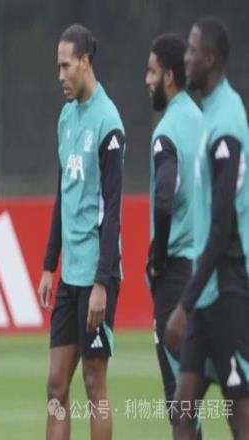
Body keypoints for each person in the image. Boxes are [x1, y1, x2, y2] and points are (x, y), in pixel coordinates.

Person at [38, 24, 125, 440]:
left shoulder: (108, 122)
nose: (60, 75)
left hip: (95, 277)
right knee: (56, 385)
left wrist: (102, 283)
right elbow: (63, 194)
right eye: (58, 67)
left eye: (66, 66)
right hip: (69, 276)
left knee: (94, 384)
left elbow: (112, 210)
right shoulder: (65, 118)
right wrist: (48, 264)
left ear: (85, 63)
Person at [164, 17, 249, 439]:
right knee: (183, 407)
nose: (186, 58)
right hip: (206, 291)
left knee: (239, 417)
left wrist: (183, 305)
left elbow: (222, 226)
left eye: (193, 51)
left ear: (210, 59)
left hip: (229, 287)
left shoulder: (226, 124)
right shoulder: (210, 114)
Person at [144, 34, 204, 437]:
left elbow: (164, 199)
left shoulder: (166, 131)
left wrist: (157, 259)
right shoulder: (205, 121)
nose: (146, 80)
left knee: (179, 400)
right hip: (212, 269)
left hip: (178, 275)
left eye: (151, 71)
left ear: (168, 75)